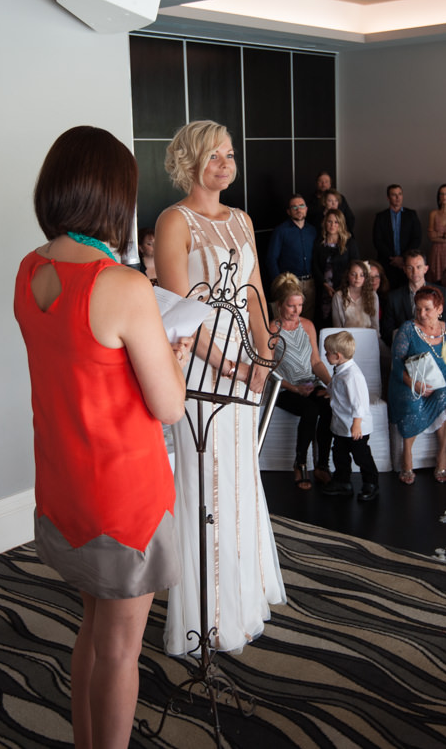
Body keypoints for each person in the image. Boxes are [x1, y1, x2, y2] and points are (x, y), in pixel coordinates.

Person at [14, 126, 190, 749]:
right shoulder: (122, 285)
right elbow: (169, 405)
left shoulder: (29, 270)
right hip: (122, 498)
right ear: (113, 198)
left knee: (92, 631)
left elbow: (84, 363)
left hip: (65, 483)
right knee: (120, 651)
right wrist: (170, 348)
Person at [154, 120, 287, 656]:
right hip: (200, 370)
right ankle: (205, 612)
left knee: (238, 477)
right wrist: (227, 362)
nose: (225, 164)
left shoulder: (242, 219)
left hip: (244, 366)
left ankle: (242, 598)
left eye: (230, 155)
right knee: (203, 479)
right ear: (189, 162)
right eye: (214, 156)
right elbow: (178, 310)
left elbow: (253, 291)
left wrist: (262, 352)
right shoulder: (173, 221)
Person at [270, 273, 334, 490]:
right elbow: (268, 370)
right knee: (310, 411)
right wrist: (294, 388)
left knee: (328, 406)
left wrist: (333, 385)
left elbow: (316, 361)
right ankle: (300, 464)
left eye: (299, 305)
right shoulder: (272, 330)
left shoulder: (307, 325)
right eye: (291, 306)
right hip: (284, 388)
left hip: (310, 382)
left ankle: (322, 465)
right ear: (279, 305)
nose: (296, 311)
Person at [388, 286, 446, 484]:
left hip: (440, 384)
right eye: (418, 309)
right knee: (411, 401)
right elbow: (396, 364)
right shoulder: (408, 329)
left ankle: (441, 454)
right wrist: (414, 383)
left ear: (439, 308)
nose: (421, 314)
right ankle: (406, 454)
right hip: (408, 382)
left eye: (427, 309)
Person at [322, 331, 379, 502]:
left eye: (327, 352)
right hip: (341, 424)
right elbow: (336, 388)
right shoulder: (340, 370)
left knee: (361, 456)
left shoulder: (352, 376)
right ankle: (342, 481)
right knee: (339, 454)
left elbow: (359, 402)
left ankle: (371, 482)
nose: (325, 355)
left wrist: (357, 423)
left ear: (337, 356)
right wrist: (330, 393)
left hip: (355, 426)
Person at [381, 249, 446, 346]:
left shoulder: (440, 292)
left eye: (419, 267)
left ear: (426, 269)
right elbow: (387, 331)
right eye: (410, 267)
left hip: (437, 345)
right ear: (404, 269)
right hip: (406, 349)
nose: (415, 272)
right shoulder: (394, 297)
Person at [266, 194, 317, 320]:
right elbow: (271, 259)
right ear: (288, 212)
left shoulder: (313, 230)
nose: (298, 209)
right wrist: (281, 284)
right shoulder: (281, 231)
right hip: (290, 284)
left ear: (306, 209)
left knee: (308, 319)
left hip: (310, 283)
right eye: (294, 207)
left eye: (301, 206)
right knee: (288, 319)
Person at [311, 207, 357, 325]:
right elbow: (314, 265)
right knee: (323, 319)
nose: (332, 225)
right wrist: (324, 284)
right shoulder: (319, 242)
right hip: (323, 288)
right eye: (329, 221)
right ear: (325, 223)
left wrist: (343, 286)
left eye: (336, 222)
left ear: (341, 224)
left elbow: (355, 265)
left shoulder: (349, 243)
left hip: (343, 288)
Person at [372, 184, 422, 289]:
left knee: (407, 291)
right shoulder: (381, 217)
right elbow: (377, 240)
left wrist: (403, 258)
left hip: (408, 263)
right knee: (386, 293)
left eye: (400, 194)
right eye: (394, 195)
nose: (397, 197)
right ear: (388, 198)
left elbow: (417, 238)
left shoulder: (411, 215)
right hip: (387, 262)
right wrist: (394, 259)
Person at [331, 259, 379, 329]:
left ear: (366, 277)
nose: (357, 278)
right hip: (347, 338)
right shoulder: (338, 296)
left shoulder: (373, 295)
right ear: (348, 275)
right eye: (353, 274)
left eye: (362, 275)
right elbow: (337, 326)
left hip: (368, 336)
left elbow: (375, 325)